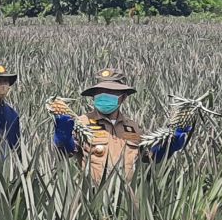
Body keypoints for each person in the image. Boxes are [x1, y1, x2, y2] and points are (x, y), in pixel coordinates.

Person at [52, 67, 191, 182]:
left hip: (127, 198)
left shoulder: (132, 126)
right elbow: (68, 152)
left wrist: (168, 147)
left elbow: (148, 157)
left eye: (112, 92)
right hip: (92, 196)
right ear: (93, 96)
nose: (105, 96)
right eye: (101, 92)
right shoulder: (81, 122)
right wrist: (63, 138)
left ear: (123, 97)